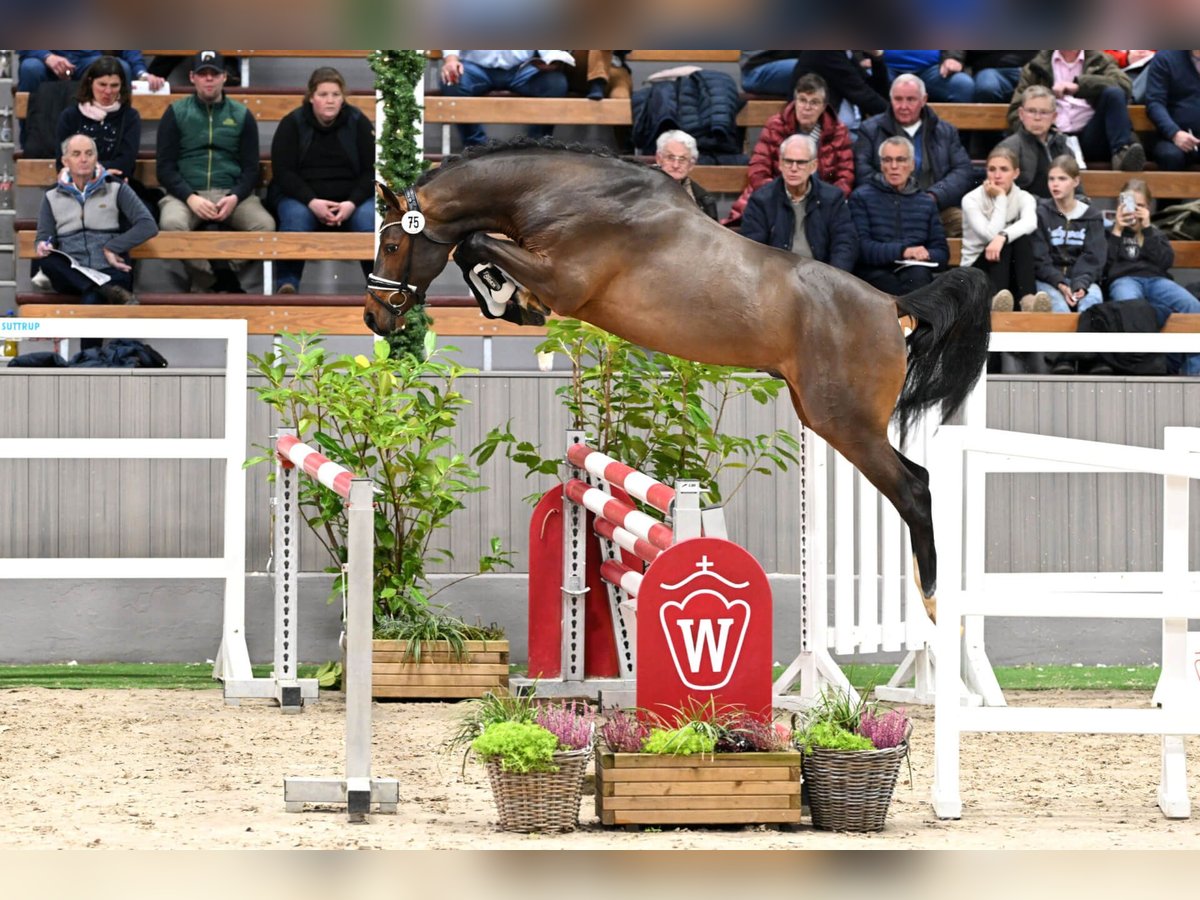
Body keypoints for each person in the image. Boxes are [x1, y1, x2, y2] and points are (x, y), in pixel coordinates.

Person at [155, 51, 275, 293]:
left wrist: (234, 197)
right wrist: (190, 197)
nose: (208, 79)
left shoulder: (241, 115)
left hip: (230, 193)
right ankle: (218, 279)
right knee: (170, 224)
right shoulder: (176, 113)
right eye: (203, 74)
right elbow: (165, 167)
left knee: (265, 226)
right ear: (192, 78)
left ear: (224, 77)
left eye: (214, 74)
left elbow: (251, 168)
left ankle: (219, 270)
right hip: (188, 194)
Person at [269, 66, 374, 294]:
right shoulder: (292, 123)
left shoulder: (358, 122)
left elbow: (372, 170)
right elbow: (283, 172)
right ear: (311, 97)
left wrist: (351, 203)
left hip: (350, 201)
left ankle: (378, 286)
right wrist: (311, 201)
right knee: (295, 216)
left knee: (368, 218)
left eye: (335, 95)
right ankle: (287, 284)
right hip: (303, 198)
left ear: (343, 98)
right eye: (323, 95)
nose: (330, 101)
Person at [35, 134, 157, 320]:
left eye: (89, 153)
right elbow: (44, 235)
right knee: (47, 260)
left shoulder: (115, 187)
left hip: (109, 269)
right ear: (65, 161)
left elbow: (148, 225)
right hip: (72, 273)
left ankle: (99, 292)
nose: (83, 159)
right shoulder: (52, 195)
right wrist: (44, 244)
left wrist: (112, 247)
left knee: (92, 300)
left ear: (96, 157)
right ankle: (103, 289)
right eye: (76, 154)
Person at [723, 72, 854, 228]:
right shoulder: (776, 125)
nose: (807, 108)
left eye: (814, 102)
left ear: (824, 107)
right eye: (802, 100)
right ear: (795, 100)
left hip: (820, 200)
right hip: (776, 195)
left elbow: (843, 176)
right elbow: (759, 169)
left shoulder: (837, 131)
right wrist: (780, 196)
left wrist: (827, 198)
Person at [854, 73, 975, 237]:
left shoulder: (945, 131)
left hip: (935, 208)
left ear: (924, 100)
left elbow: (962, 171)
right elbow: (863, 173)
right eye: (898, 99)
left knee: (967, 223)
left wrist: (934, 195)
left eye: (911, 99)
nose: (903, 106)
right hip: (885, 210)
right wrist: (897, 195)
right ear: (891, 100)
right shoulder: (870, 130)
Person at [1105, 177, 1200, 376]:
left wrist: (1147, 228)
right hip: (1124, 279)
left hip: (1156, 280)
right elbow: (1105, 266)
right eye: (1129, 204)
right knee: (1131, 308)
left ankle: (1195, 374)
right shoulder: (1111, 233)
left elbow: (1165, 261)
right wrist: (1117, 230)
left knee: (1193, 307)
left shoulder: (1155, 233)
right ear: (1119, 205)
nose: (1134, 210)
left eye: (1139, 205)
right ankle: (1139, 369)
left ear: (1148, 207)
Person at [1008, 51, 1145, 171]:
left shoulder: (1100, 60)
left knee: (1114, 93)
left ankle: (1122, 155)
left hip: (1091, 136)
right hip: (1052, 138)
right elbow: (1016, 110)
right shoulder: (1036, 66)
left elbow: (1125, 86)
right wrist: (1038, 134)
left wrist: (1080, 86)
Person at [739, 134, 857, 272]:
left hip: (822, 278)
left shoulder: (832, 198)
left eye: (801, 163)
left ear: (813, 166)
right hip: (777, 279)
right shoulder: (761, 200)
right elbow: (753, 250)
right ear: (780, 164)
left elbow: (845, 244)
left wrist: (833, 280)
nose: (793, 168)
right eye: (788, 161)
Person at [848, 135, 949, 294]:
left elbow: (942, 253)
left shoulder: (926, 202)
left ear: (912, 165)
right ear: (881, 165)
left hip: (915, 273)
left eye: (901, 160)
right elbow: (862, 248)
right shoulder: (861, 197)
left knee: (919, 276)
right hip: (874, 273)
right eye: (888, 160)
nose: (894, 166)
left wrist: (925, 254)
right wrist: (903, 251)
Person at [959, 145, 1044, 312]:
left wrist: (1003, 236)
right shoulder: (971, 199)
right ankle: (996, 300)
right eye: (992, 169)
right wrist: (1001, 197)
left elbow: (1031, 222)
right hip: (976, 270)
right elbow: (990, 235)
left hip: (1009, 272)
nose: (997, 175)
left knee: (1019, 238)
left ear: (1016, 173)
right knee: (1006, 242)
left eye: (1004, 169)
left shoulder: (1023, 197)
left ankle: (1028, 302)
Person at [740, 51, 889, 141]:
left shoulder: (845, 54)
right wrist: (898, 116)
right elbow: (864, 95)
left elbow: (876, 91)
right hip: (823, 138)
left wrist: (877, 58)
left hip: (850, 132)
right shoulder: (825, 52)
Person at [1031, 155, 1107, 328]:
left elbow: (1094, 258)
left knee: (1093, 302)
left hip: (1083, 279)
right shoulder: (1041, 214)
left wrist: (1080, 284)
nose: (1055, 184)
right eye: (1051, 179)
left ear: (1075, 181)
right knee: (1059, 307)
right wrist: (1061, 283)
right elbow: (1040, 258)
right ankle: (1064, 355)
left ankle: (1086, 353)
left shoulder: (1092, 216)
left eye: (1062, 179)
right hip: (1049, 280)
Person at [438, 50, 572, 146]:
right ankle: (475, 146)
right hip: (476, 69)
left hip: (521, 69)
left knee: (555, 83)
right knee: (452, 80)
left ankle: (535, 146)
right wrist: (451, 60)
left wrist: (553, 58)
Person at [996, 86, 1074, 200]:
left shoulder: (1064, 147)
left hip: (1060, 212)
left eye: (1044, 112)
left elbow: (1077, 191)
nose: (1037, 118)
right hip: (1025, 213)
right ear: (1021, 114)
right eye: (1031, 111)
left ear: (1054, 117)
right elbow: (1004, 194)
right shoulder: (1007, 149)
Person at [1143, 50, 1200, 172]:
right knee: (1170, 156)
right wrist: (1174, 133)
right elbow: (1155, 103)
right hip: (1172, 137)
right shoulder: (1165, 58)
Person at [18, 50, 164, 96]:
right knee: (30, 68)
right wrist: (47, 56)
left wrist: (142, 73)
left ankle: (114, 143)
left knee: (119, 67)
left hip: (87, 61)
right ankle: (32, 145)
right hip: (47, 60)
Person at [654, 130, 717, 219]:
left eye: (682, 159)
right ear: (659, 159)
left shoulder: (704, 200)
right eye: (670, 157)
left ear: (691, 164)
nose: (676, 165)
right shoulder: (641, 190)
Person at [938, 51, 1037, 102]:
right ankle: (989, 138)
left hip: (1034, 68)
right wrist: (954, 57)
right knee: (987, 87)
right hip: (992, 70)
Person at [881, 50, 973, 102]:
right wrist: (872, 58)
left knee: (962, 85)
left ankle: (955, 135)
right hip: (885, 67)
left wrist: (953, 57)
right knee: (869, 83)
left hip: (930, 70)